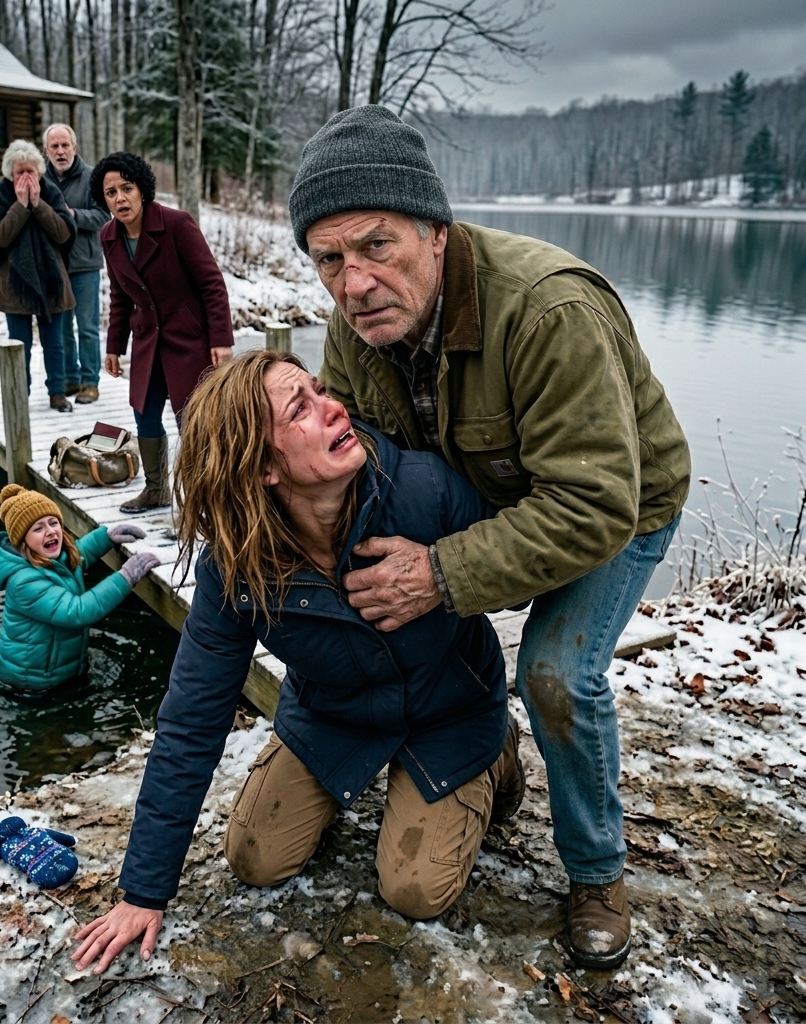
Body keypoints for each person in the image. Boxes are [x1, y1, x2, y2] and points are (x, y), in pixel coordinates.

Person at [287, 105, 692, 969]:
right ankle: (480, 753)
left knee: (554, 671)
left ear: (435, 232)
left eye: (376, 244)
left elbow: (592, 504)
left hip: (617, 502)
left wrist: (441, 570)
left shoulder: (549, 311)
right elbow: (359, 466)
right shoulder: (353, 330)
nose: (354, 283)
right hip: (487, 493)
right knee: (403, 592)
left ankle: (596, 873)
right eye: (329, 259)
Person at [70, 349, 525, 974]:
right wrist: (144, 892)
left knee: (415, 891)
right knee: (254, 858)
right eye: (301, 409)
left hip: (450, 712)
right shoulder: (236, 568)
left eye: (319, 390)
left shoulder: (423, 489)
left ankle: (497, 750)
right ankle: (351, 775)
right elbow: (192, 719)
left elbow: (521, 571)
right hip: (335, 713)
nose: (335, 407)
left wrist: (445, 575)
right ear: (261, 468)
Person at [89, 152, 234, 511]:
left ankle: (209, 496)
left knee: (194, 419)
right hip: (147, 342)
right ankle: (156, 490)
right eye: (111, 193)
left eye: (127, 188)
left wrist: (221, 339)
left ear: (142, 189)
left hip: (189, 339)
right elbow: (120, 296)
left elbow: (212, 284)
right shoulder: (109, 236)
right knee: (145, 412)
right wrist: (113, 346)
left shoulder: (177, 224)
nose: (120, 198)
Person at [0, 483, 161, 690]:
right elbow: (77, 611)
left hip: (58, 673)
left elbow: (78, 555)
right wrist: (125, 577)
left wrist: (105, 537)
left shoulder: (51, 556)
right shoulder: (24, 581)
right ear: (22, 541)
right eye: (38, 528)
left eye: (53, 523)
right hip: (31, 684)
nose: (50, 531)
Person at [0, 139, 77, 413]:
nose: (25, 178)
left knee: (54, 342)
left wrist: (38, 205)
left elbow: (63, 233)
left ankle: (57, 393)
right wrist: (21, 206)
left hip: (52, 279)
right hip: (14, 283)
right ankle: (19, 395)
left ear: (39, 172)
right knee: (19, 343)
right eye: (19, 173)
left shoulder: (51, 192)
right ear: (9, 175)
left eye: (30, 172)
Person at [43, 123, 110, 405]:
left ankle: (90, 382)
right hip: (54, 266)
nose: (60, 151)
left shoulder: (92, 177)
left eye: (65, 145)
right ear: (46, 151)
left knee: (87, 327)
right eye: (54, 146)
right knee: (62, 328)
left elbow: (103, 215)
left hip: (84, 265)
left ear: (75, 147)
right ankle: (70, 377)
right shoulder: (40, 179)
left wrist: (71, 215)